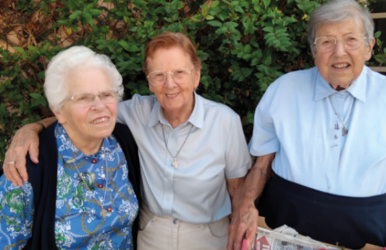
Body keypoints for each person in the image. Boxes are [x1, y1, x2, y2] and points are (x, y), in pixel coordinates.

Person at [2, 32, 252, 250]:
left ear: (196, 76)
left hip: (208, 238)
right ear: (149, 81)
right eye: (159, 75)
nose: (170, 84)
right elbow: (78, 115)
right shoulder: (131, 116)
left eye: (179, 73)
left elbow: (238, 190)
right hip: (152, 238)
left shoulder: (222, 122)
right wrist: (30, 129)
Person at [227, 0, 386, 249]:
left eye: (351, 39)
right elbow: (261, 167)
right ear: (314, 50)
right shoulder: (283, 90)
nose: (339, 52)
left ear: (369, 47)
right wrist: (245, 206)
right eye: (327, 41)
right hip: (284, 226)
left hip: (365, 233)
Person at [0, 46, 142, 249]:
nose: (100, 106)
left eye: (106, 94)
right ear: (58, 110)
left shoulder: (124, 142)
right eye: (83, 98)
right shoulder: (27, 168)